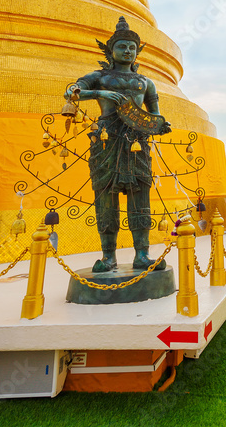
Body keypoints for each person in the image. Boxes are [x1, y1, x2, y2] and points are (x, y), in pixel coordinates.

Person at [66, 16, 171, 273]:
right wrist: (100, 93)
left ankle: (142, 254)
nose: (127, 51)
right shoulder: (99, 77)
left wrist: (160, 125)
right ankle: (108, 256)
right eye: (122, 46)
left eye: (132, 48)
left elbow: (155, 115)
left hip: (137, 141)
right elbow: (71, 92)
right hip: (106, 140)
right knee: (106, 195)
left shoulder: (146, 83)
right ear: (111, 51)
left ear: (137, 53)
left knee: (140, 195)